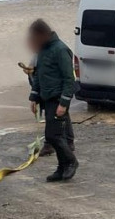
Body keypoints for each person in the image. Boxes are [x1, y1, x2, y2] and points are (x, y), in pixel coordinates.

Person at [28, 19, 79, 182]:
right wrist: (34, 97)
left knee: (54, 135)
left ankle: (70, 162)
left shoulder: (60, 50)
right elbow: (38, 75)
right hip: (46, 98)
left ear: (43, 34)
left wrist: (64, 103)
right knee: (53, 135)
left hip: (57, 98)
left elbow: (69, 79)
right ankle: (61, 167)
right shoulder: (43, 51)